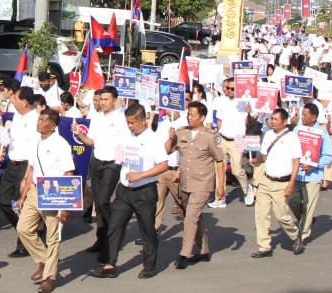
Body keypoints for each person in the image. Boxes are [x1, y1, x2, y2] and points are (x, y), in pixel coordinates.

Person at [88, 103, 168, 279]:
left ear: (142, 120)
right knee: (115, 226)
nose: (130, 126)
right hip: (124, 190)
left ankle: (149, 266)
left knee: (146, 230)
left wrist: (141, 175)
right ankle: (110, 264)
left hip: (144, 191)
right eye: (128, 123)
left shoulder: (153, 139)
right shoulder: (126, 136)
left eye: (133, 123)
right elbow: (119, 158)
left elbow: (163, 165)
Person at [17, 108, 75, 293]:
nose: (39, 122)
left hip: (54, 193)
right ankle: (44, 259)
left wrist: (66, 205)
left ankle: (49, 277)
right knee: (23, 228)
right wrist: (24, 194)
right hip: (35, 190)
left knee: (52, 236)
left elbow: (68, 173)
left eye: (43, 120)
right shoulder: (35, 141)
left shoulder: (61, 144)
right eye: (39, 119)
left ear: (53, 125)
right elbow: (31, 169)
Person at [167, 101, 224, 268]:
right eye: (188, 114)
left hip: (203, 183)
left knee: (190, 216)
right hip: (186, 182)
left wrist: (221, 186)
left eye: (193, 115)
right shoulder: (181, 132)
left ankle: (184, 254)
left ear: (202, 117)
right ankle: (203, 249)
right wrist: (171, 138)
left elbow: (220, 161)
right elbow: (168, 150)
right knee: (194, 217)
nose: (189, 117)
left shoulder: (210, 136)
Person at [74, 85, 125, 259]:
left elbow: (124, 143)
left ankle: (113, 236)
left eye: (106, 99)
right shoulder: (96, 118)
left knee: (103, 201)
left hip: (112, 164)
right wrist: (79, 134)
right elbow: (91, 141)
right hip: (96, 162)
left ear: (114, 100)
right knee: (98, 202)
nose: (102, 102)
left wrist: (119, 164)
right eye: (101, 99)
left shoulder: (121, 118)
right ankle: (101, 239)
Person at [249, 108, 302, 258]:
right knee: (261, 214)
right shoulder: (268, 135)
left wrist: (291, 184)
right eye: (271, 119)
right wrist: (256, 160)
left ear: (284, 122)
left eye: (276, 119)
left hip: (282, 183)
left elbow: (296, 162)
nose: (272, 121)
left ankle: (295, 235)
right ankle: (264, 246)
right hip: (266, 180)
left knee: (281, 215)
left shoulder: (292, 137)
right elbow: (264, 156)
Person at [0, 87, 39, 259]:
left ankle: (24, 244)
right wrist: (2, 150)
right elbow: (10, 139)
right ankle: (28, 232)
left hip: (26, 166)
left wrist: (28, 175)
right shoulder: (16, 116)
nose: (11, 100)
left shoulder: (36, 119)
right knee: (4, 202)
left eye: (15, 98)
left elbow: (36, 148)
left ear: (24, 101)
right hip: (11, 164)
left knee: (21, 205)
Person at [290, 103, 331, 247]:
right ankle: (305, 221)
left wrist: (314, 165)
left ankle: (302, 236)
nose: (302, 117)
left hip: (313, 176)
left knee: (308, 207)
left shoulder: (322, 133)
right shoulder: (297, 129)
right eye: (302, 114)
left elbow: (328, 156)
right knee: (292, 201)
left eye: (305, 115)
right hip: (296, 174)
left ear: (314, 117)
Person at [210, 78, 253, 206]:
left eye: (232, 88)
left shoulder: (243, 102)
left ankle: (247, 189)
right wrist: (218, 136)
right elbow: (219, 120)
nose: (228, 90)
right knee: (220, 168)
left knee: (237, 170)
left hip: (238, 139)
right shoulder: (222, 101)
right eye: (227, 88)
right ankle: (220, 198)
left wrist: (249, 114)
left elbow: (248, 123)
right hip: (223, 137)